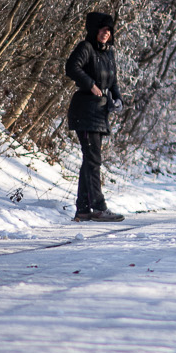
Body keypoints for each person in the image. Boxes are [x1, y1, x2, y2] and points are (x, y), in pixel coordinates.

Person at [65, 11, 125, 222]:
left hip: (100, 113)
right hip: (84, 111)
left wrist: (118, 99)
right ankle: (98, 207)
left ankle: (83, 209)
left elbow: (113, 81)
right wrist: (90, 85)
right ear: (94, 30)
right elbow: (71, 67)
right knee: (93, 160)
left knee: (90, 161)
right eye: (102, 29)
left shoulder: (108, 53)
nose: (105, 33)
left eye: (109, 30)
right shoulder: (86, 48)